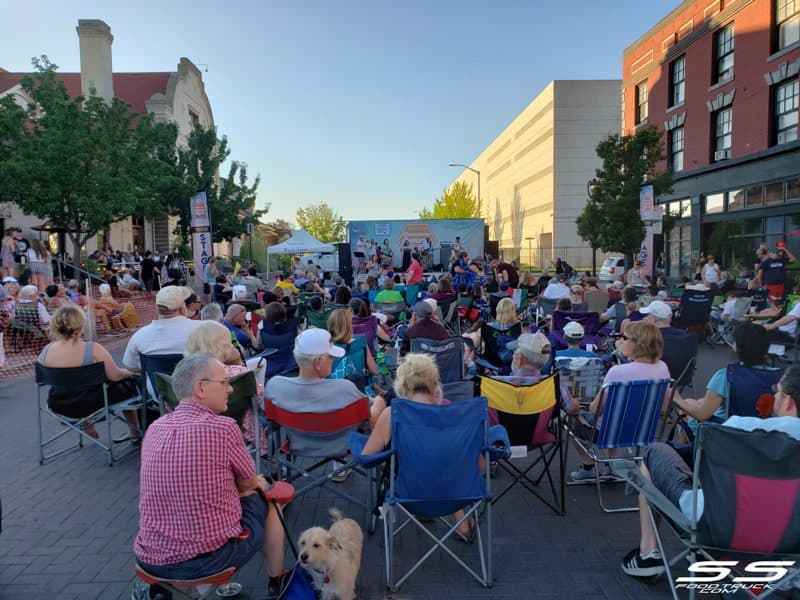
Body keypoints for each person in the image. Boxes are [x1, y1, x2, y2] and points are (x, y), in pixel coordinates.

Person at [620, 366, 800, 578]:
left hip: (716, 529)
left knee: (655, 452)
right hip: (790, 539)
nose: (774, 396)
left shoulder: (737, 429)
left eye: (777, 391)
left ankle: (648, 552)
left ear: (788, 401)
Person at [133, 353, 288, 598]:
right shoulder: (223, 427)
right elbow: (248, 485)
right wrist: (245, 485)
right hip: (207, 560)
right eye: (224, 382)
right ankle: (276, 581)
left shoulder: (155, 428)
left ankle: (170, 590)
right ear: (201, 388)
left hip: (150, 557)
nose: (229, 390)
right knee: (270, 500)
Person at [570, 321, 670, 482]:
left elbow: (595, 410)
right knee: (616, 415)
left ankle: (588, 466)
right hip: (642, 431)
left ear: (639, 344)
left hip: (605, 433)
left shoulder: (617, 372)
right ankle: (611, 465)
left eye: (624, 337)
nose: (621, 340)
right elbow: (664, 409)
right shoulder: (662, 368)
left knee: (568, 416)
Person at [38, 305, 141, 441]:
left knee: (74, 385)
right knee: (127, 384)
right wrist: (132, 372)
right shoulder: (93, 349)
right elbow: (115, 376)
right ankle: (134, 431)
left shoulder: (46, 351)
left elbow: (41, 380)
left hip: (58, 403)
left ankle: (85, 422)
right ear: (81, 326)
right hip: (90, 402)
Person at [676, 320, 778, 430]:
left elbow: (702, 415)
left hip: (727, 432)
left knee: (686, 407)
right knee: (697, 402)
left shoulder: (727, 376)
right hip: (763, 433)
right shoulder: (779, 377)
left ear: (737, 347)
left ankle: (690, 446)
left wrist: (676, 398)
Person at [264, 328, 366, 416]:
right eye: (331, 356)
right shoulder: (345, 388)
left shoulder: (274, 386)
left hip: (297, 437)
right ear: (318, 362)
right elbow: (364, 414)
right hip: (338, 437)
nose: (334, 359)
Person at [123, 286, 202, 373]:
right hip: (195, 384)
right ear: (183, 308)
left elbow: (130, 366)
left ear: (157, 308)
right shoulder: (203, 328)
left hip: (158, 385)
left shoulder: (139, 336)